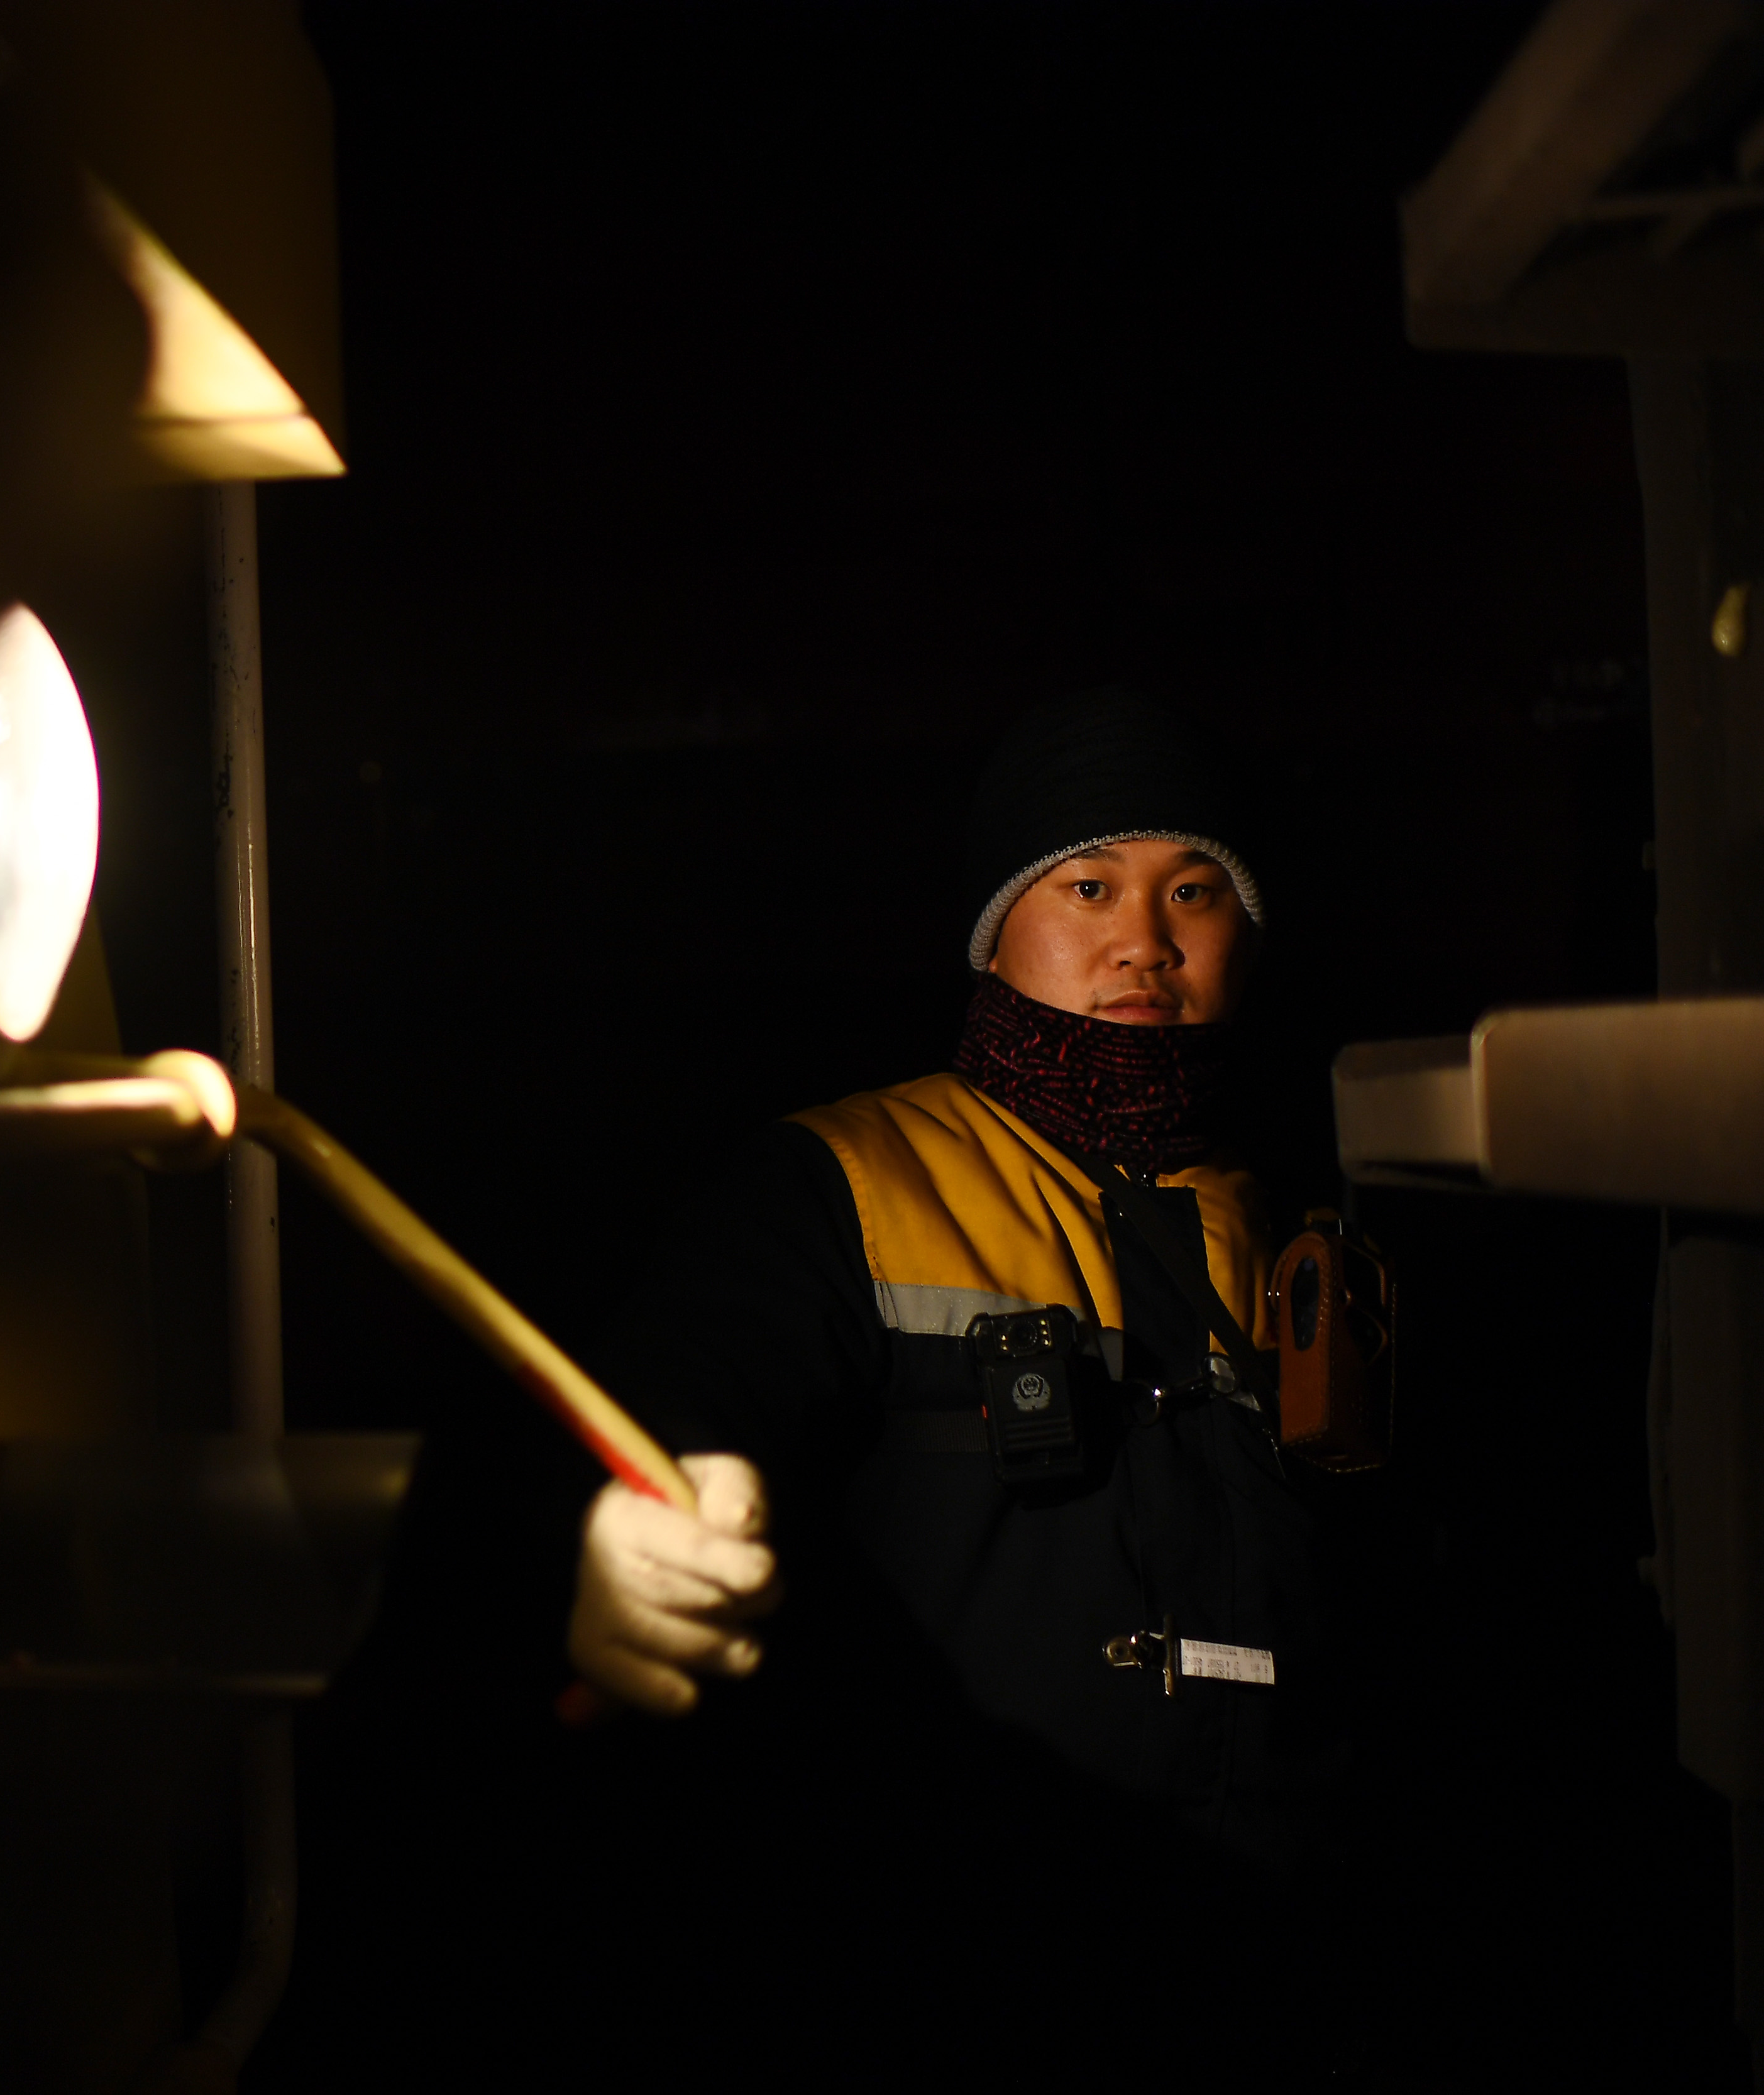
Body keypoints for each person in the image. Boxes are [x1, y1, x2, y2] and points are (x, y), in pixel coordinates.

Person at [562, 690, 1354, 2081]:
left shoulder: (1294, 1224)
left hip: (1256, 1958)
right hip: (933, 1966)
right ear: (995, 930)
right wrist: (626, 1522)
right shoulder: (842, 1178)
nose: (1143, 941)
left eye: (1197, 890)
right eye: (1088, 883)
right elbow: (674, 1394)